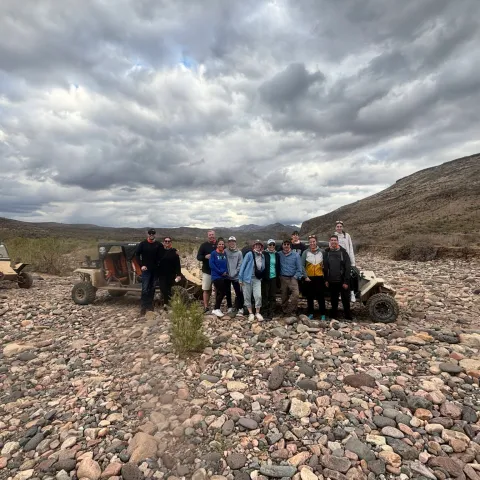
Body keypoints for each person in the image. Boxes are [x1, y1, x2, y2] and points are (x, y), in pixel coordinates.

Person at [135, 228, 165, 316]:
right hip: (146, 270)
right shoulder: (143, 244)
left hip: (155, 270)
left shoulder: (158, 245)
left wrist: (174, 252)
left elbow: (163, 254)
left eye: (153, 233)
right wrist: (141, 265)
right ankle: (143, 306)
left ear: (155, 234)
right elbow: (137, 254)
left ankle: (150, 305)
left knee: (152, 288)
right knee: (145, 288)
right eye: (150, 233)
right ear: (147, 234)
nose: (151, 234)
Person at [324, 234, 352, 320]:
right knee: (334, 299)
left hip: (342, 280)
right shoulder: (327, 252)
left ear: (337, 241)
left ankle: (348, 315)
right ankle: (334, 315)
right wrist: (326, 280)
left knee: (345, 299)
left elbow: (348, 267)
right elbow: (325, 267)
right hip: (332, 280)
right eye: (331, 240)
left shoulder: (343, 252)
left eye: (335, 240)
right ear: (330, 242)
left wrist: (346, 281)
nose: (333, 242)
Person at [239, 239, 265, 322]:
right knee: (247, 296)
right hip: (247, 278)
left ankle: (257, 312)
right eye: (256, 245)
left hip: (257, 279)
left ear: (261, 247)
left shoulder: (262, 256)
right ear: (254, 246)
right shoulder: (249, 254)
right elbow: (243, 266)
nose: (258, 246)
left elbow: (263, 267)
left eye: (259, 245)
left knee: (258, 296)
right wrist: (240, 278)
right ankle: (250, 313)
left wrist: (261, 276)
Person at [301, 235, 326, 321]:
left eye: (313, 241)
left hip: (319, 277)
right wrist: (305, 276)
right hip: (309, 277)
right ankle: (311, 313)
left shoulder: (322, 252)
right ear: (309, 242)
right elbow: (302, 265)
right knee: (310, 297)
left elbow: (326, 265)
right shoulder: (305, 252)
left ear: (316, 242)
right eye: (310, 242)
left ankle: (323, 314)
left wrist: (324, 270)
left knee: (320, 297)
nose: (312, 243)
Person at [278, 240, 303, 315]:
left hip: (293, 277)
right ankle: (284, 310)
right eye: (284, 244)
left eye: (288, 244)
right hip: (283, 277)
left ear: (290, 245)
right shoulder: (279, 254)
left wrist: (295, 277)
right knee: (284, 296)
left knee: (296, 294)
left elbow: (299, 268)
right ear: (282, 245)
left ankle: (291, 310)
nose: (286, 246)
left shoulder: (296, 255)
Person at [334, 221, 356, 302]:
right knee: (338, 276)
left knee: (349, 275)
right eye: (337, 226)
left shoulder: (347, 236)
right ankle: (340, 293)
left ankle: (352, 293)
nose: (339, 228)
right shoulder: (334, 236)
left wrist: (352, 261)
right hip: (337, 258)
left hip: (346, 257)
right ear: (335, 228)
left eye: (340, 226)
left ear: (342, 227)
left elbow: (350, 248)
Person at [157, 236, 182, 308]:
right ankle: (168, 302)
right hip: (161, 273)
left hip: (171, 274)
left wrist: (179, 274)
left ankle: (166, 304)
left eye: (168, 241)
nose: (167, 242)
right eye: (165, 241)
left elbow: (177, 264)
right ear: (163, 242)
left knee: (168, 288)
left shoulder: (174, 252)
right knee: (163, 288)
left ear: (171, 243)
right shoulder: (160, 251)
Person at [197, 230, 217, 313]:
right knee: (206, 289)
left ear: (214, 235)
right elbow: (198, 257)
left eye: (212, 234)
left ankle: (217, 306)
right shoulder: (203, 245)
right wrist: (205, 256)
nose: (211, 236)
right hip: (207, 271)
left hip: (217, 271)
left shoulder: (218, 245)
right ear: (207, 236)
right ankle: (206, 306)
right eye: (210, 235)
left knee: (217, 289)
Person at [209, 238, 228, 318]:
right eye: (219, 244)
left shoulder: (224, 254)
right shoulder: (213, 253)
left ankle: (216, 308)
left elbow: (227, 264)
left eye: (222, 244)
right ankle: (216, 308)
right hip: (216, 276)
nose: (221, 245)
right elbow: (212, 265)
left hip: (224, 275)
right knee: (223, 291)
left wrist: (226, 272)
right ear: (217, 245)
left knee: (221, 292)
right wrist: (221, 272)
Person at [262, 239, 280, 320]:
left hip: (274, 277)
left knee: (272, 295)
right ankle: (265, 311)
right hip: (265, 278)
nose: (271, 246)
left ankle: (272, 311)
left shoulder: (277, 255)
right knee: (265, 295)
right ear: (267, 246)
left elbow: (278, 266)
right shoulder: (263, 254)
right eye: (270, 245)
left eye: (273, 245)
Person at [225, 236, 244, 316]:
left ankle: (240, 307)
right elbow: (223, 262)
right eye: (230, 241)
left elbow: (240, 264)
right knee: (228, 292)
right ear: (228, 243)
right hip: (227, 275)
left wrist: (236, 272)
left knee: (238, 292)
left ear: (235, 242)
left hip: (236, 276)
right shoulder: (225, 251)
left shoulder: (239, 253)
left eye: (233, 241)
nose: (232, 243)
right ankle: (229, 306)